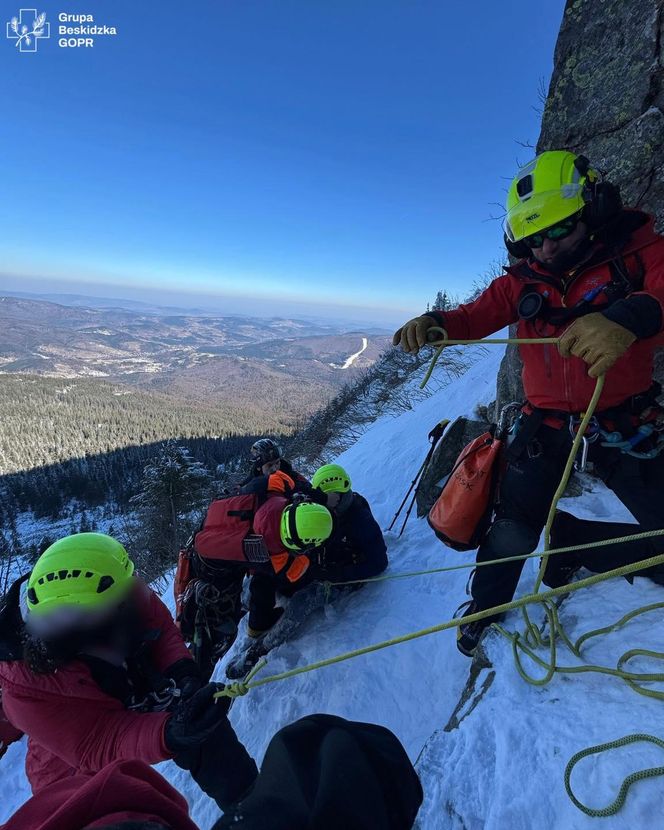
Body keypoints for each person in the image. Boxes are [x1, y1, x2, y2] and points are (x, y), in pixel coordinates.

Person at [393, 149, 664, 656]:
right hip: (544, 426)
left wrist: (628, 318)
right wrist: (437, 323)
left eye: (558, 231)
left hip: (624, 418)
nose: (545, 247)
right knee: (512, 528)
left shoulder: (639, 255)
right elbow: (474, 316)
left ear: (594, 209)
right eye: (533, 238)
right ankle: (485, 606)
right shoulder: (522, 282)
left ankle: (577, 542)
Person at [0, 533, 257, 809]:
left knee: (203, 726)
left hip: (125, 687)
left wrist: (184, 674)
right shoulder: (24, 691)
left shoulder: (109, 586)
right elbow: (94, 743)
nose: (135, 594)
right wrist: (166, 734)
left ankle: (255, 807)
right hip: (70, 761)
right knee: (105, 814)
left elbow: (160, 628)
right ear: (78, 618)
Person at [3, 715, 422, 830]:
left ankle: (244, 793)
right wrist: (167, 731)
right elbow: (96, 746)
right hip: (64, 772)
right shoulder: (33, 698)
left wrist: (183, 680)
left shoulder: (129, 615)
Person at [310, 464, 388, 583]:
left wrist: (338, 574)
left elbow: (379, 563)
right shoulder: (335, 508)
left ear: (338, 497)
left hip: (348, 564)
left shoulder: (360, 519)